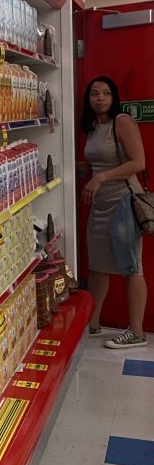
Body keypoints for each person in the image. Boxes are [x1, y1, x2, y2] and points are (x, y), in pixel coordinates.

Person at [79, 76, 147, 348]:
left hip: (123, 202)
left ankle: (137, 332)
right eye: (95, 93)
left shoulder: (122, 121)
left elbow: (138, 163)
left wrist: (100, 177)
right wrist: (83, 168)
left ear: (114, 97)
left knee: (131, 267)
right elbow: (100, 160)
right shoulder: (95, 127)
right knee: (97, 268)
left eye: (106, 93)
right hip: (100, 204)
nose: (100, 98)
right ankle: (92, 325)